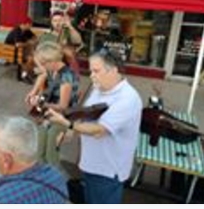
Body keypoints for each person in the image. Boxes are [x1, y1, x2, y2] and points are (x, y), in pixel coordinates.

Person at [45, 50, 142, 204]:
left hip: (108, 170)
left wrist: (66, 123)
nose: (91, 75)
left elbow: (99, 130)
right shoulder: (99, 88)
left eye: (96, 71)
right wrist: (71, 131)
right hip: (91, 164)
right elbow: (86, 114)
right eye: (90, 71)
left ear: (114, 70)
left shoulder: (128, 99)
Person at [25, 43, 79, 167]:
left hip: (62, 117)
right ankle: (43, 177)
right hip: (51, 113)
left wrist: (41, 103)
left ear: (52, 61)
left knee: (51, 155)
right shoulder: (53, 70)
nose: (42, 67)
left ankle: (53, 181)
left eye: (43, 64)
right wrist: (33, 92)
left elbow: (63, 106)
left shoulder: (66, 76)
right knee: (40, 152)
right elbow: (43, 74)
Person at [38, 11, 83, 76]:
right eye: (55, 21)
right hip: (49, 63)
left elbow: (78, 41)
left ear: (63, 21)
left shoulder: (68, 32)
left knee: (68, 51)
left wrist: (70, 27)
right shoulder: (46, 36)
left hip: (66, 64)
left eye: (60, 20)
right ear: (51, 22)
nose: (58, 23)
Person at [5, 17, 38, 82]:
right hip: (12, 53)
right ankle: (24, 75)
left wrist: (31, 41)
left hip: (19, 52)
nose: (31, 26)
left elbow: (35, 38)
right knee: (30, 59)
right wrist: (29, 43)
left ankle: (28, 73)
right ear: (26, 24)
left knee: (33, 56)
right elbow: (18, 45)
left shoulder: (26, 30)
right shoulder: (17, 31)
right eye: (30, 25)